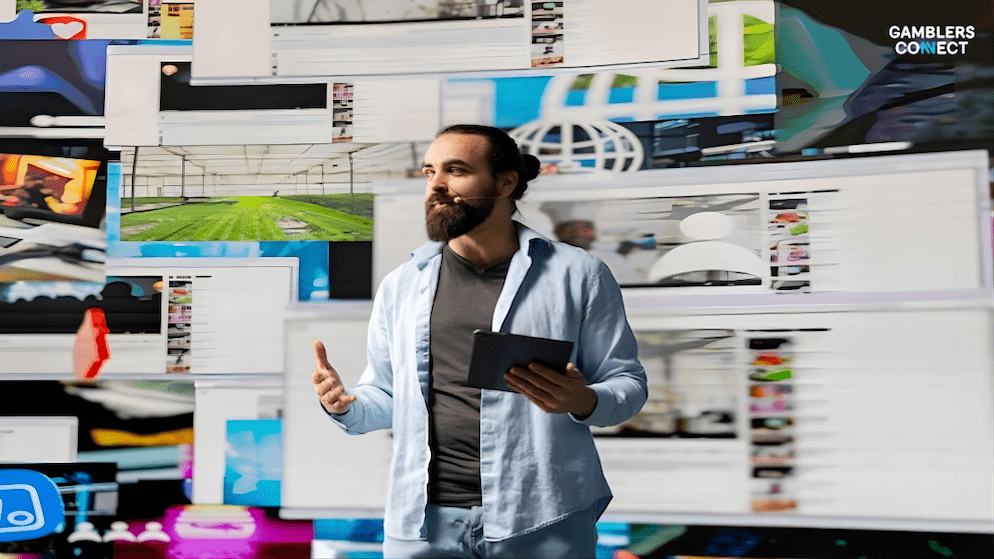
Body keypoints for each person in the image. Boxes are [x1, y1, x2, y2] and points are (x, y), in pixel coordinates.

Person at [312, 124, 647, 558]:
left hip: (543, 519)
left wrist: (581, 399)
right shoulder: (402, 285)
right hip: (423, 524)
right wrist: (345, 404)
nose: (437, 185)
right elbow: (388, 397)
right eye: (429, 171)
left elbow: (628, 385)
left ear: (505, 182)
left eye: (456, 170)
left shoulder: (577, 274)